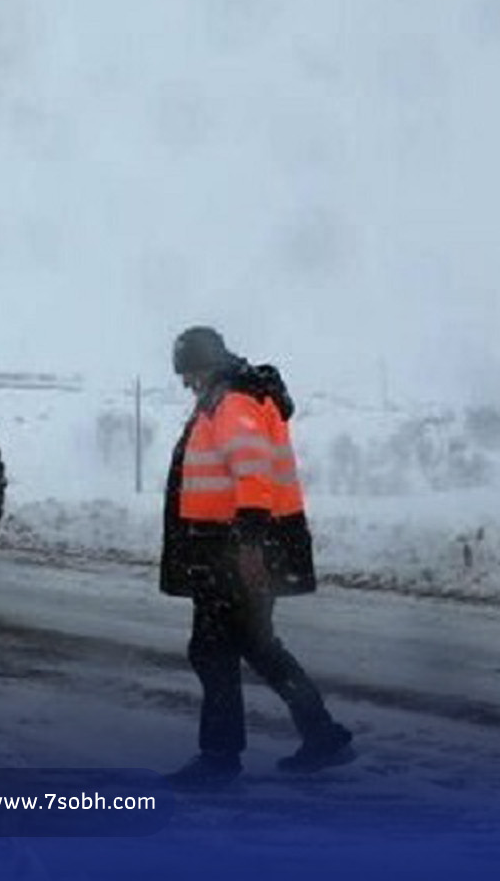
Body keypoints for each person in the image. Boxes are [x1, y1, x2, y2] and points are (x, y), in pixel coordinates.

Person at [161, 326, 354, 788]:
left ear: (205, 366)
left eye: (189, 373)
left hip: (233, 549)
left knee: (213, 651)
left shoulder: (233, 402)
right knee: (256, 646)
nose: (187, 383)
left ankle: (220, 759)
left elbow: (253, 473)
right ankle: (322, 735)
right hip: (234, 545)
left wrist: (248, 545)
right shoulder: (232, 397)